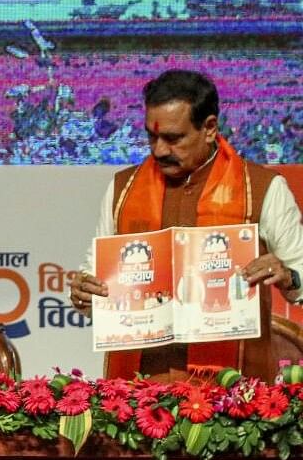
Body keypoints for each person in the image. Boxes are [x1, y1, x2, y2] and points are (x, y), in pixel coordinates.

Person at [69, 69, 303, 381]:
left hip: (233, 401)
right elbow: (97, 291)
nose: (159, 150)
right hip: (137, 401)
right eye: (152, 136)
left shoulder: (261, 188)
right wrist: (85, 295)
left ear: (209, 128)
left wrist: (289, 277)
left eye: (173, 138)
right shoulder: (122, 189)